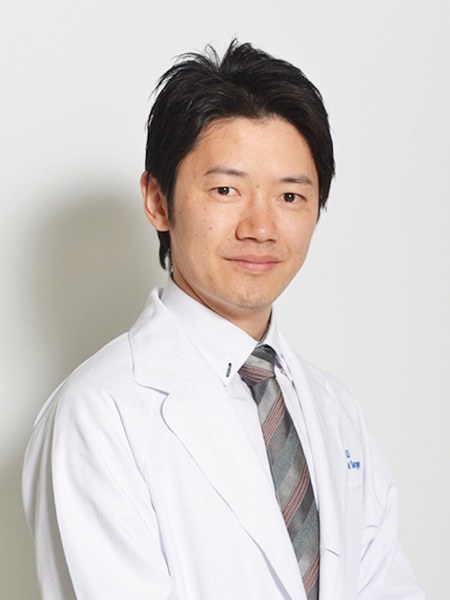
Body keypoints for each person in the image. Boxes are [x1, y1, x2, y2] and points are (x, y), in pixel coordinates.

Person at [22, 40, 425, 600]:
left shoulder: (334, 407)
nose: (260, 227)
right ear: (158, 201)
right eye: (226, 190)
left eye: (290, 196)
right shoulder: (98, 413)